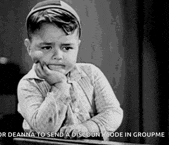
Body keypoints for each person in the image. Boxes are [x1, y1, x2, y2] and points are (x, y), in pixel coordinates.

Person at [17, 0, 123, 140]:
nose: (58, 56)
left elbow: (113, 112)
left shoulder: (91, 74)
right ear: (29, 47)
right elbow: (45, 130)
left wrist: (87, 128)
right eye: (47, 47)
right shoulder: (29, 84)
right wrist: (60, 86)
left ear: (77, 46)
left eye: (67, 48)